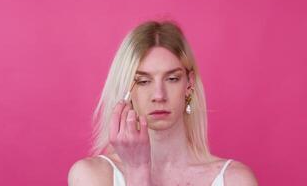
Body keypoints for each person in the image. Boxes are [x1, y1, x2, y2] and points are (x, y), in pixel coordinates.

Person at [68, 20, 258, 186]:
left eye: (172, 79)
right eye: (143, 81)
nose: (159, 95)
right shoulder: (91, 176)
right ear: (126, 88)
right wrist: (137, 170)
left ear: (189, 84)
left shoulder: (235, 180)